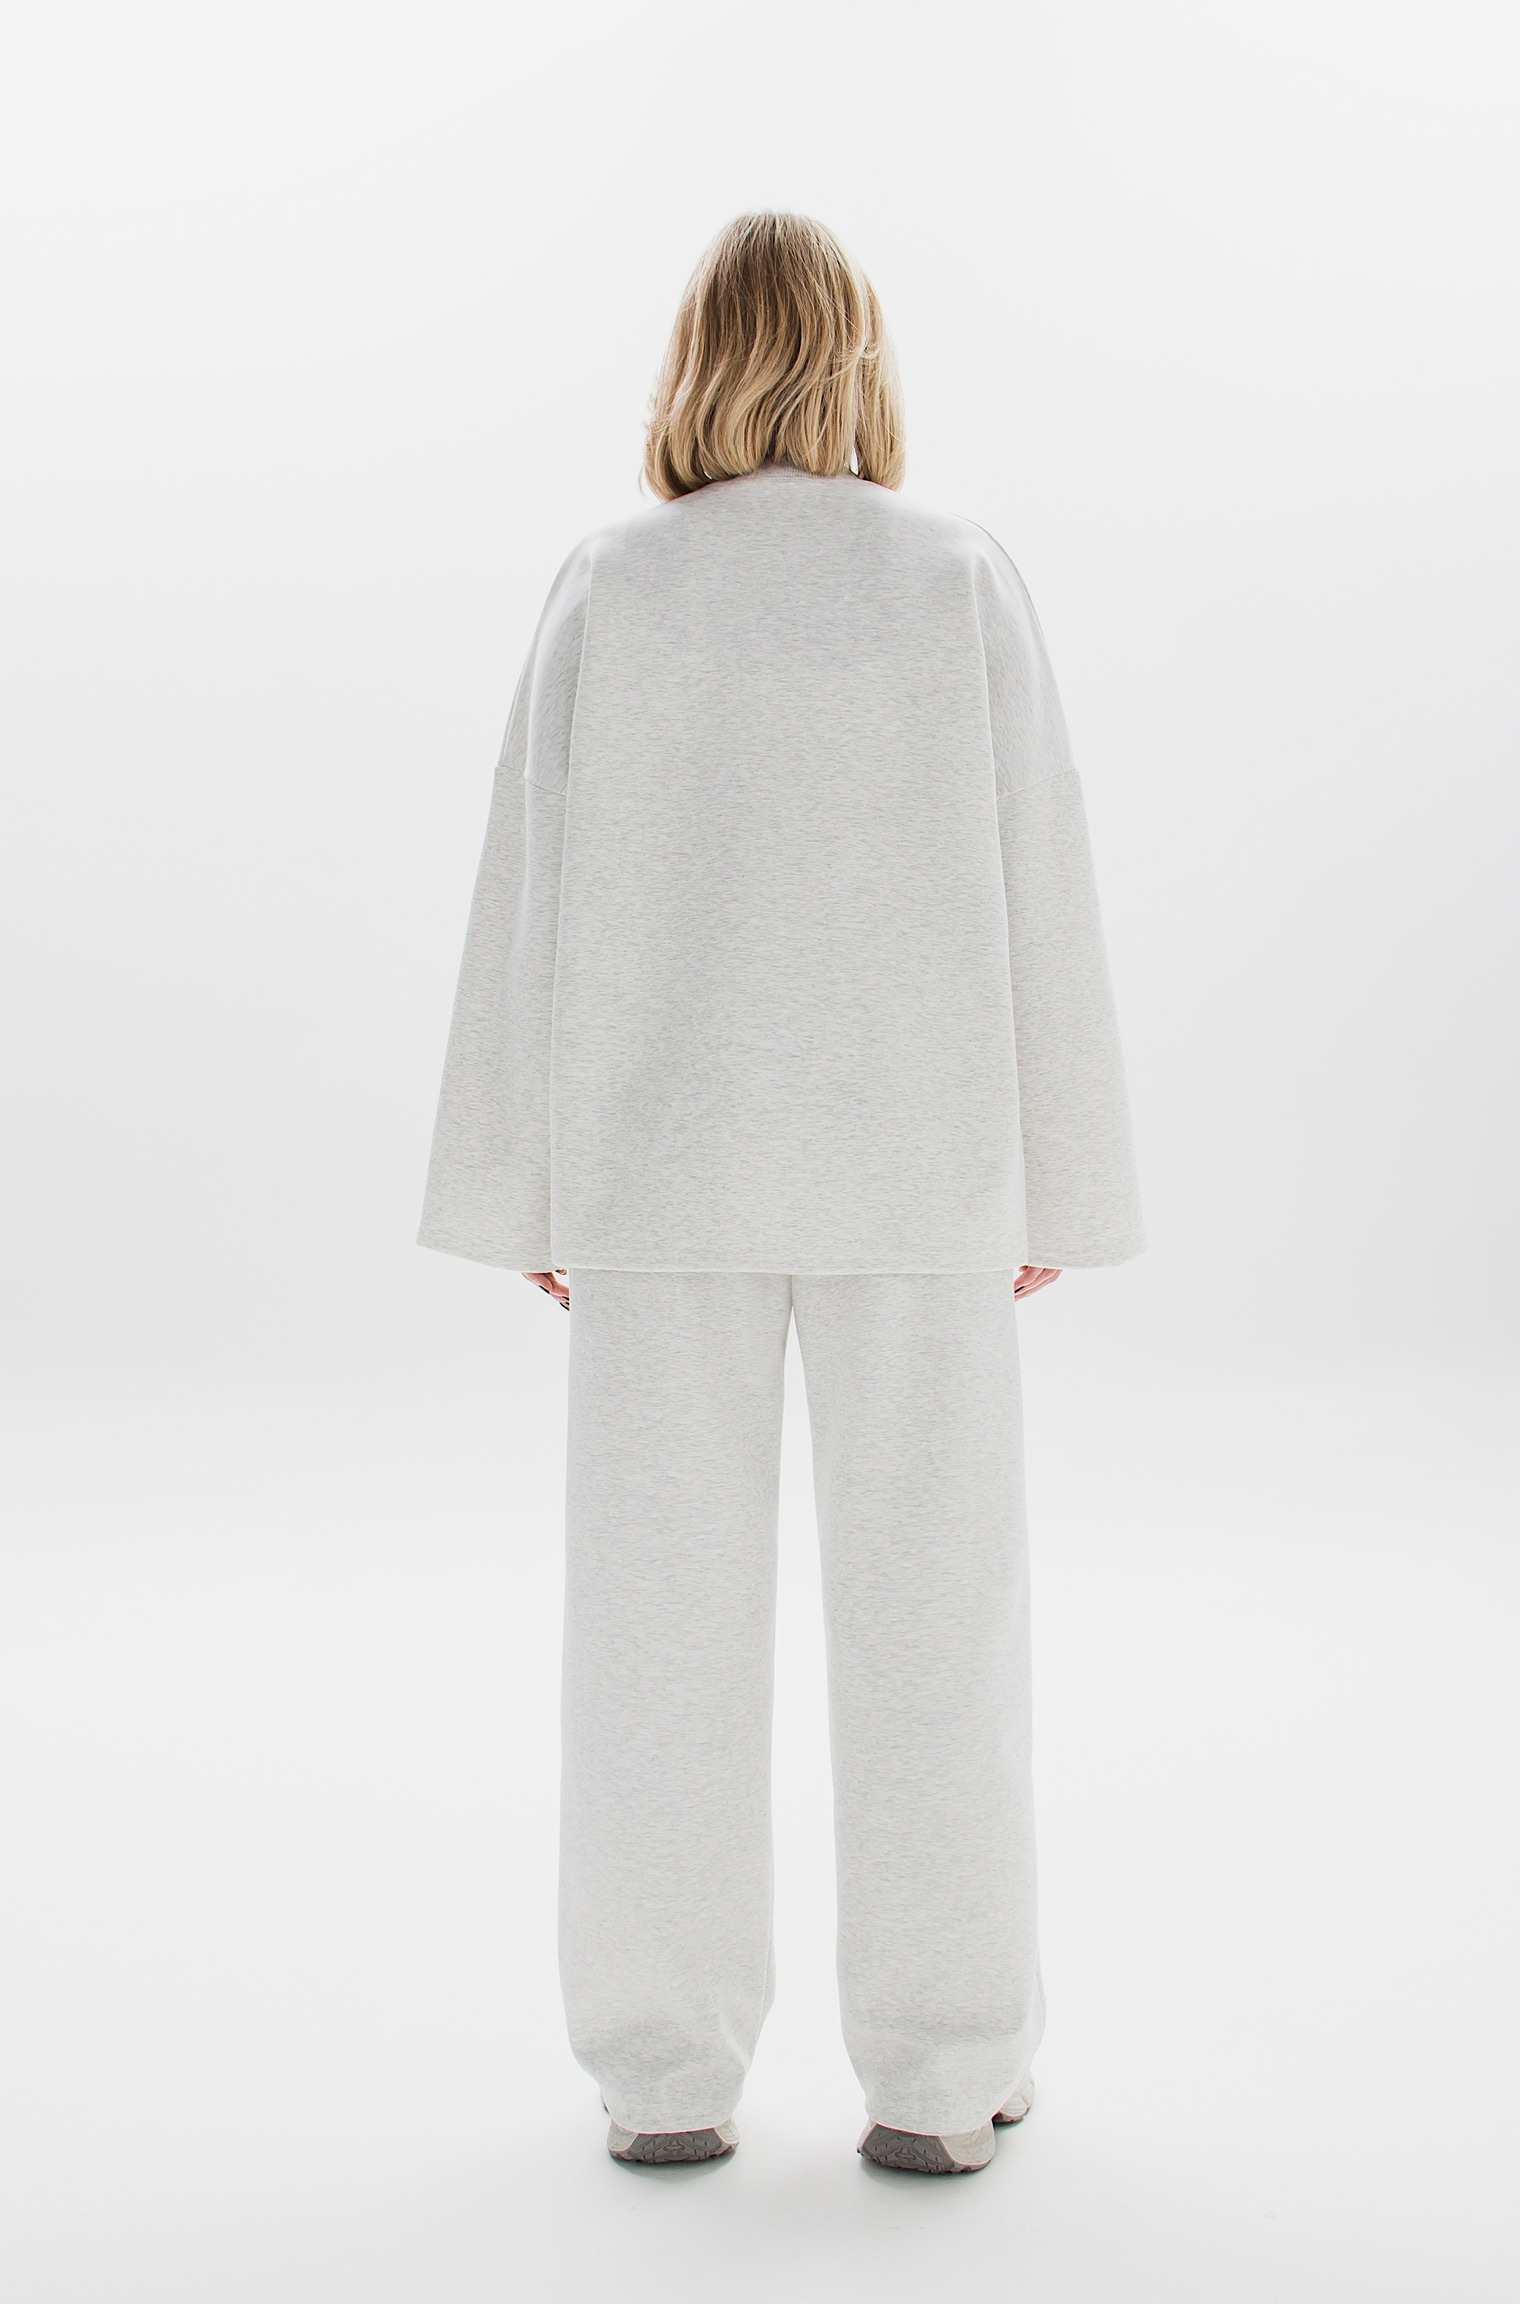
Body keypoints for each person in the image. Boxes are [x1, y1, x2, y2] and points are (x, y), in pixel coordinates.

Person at [417, 212, 1143, 2176]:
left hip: (663, 1176)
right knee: (940, 1629)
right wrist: (1057, 1177)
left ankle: (661, 2073)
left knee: (651, 1639)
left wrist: (529, 1184)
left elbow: (530, 881)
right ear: (858, 358)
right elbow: (1044, 872)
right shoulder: (956, 574)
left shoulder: (612, 581)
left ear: (694, 361)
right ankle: (942, 2071)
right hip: (925, 1175)